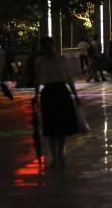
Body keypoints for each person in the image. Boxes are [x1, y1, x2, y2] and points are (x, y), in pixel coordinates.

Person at [34, 36, 79, 168]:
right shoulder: (40, 61)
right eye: (45, 47)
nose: (48, 49)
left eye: (50, 46)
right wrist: (36, 95)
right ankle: (54, 156)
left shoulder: (61, 59)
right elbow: (37, 79)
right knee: (50, 126)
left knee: (62, 126)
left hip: (61, 92)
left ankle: (60, 154)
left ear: (54, 46)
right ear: (42, 48)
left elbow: (69, 78)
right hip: (48, 93)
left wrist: (75, 95)